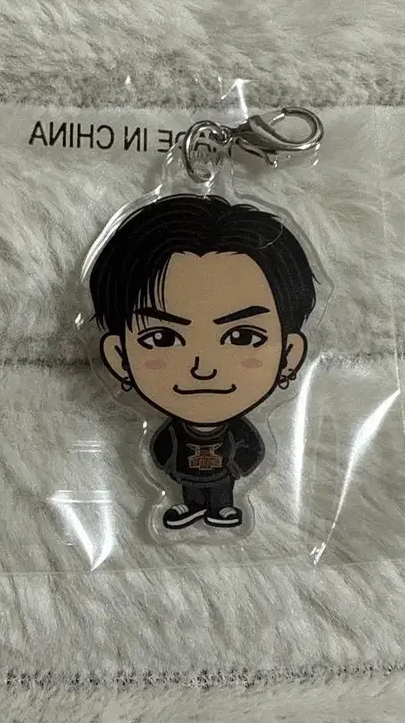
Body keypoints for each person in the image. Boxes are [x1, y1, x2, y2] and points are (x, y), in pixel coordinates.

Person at [88, 194, 316, 529]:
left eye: (242, 336)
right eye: (163, 338)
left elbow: (251, 451)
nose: (203, 368)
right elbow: (162, 452)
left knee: (220, 491)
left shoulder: (241, 431)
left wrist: (234, 466)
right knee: (191, 489)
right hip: (185, 477)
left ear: (289, 355)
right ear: (120, 357)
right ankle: (192, 504)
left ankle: (221, 506)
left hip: (225, 477)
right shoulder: (168, 433)